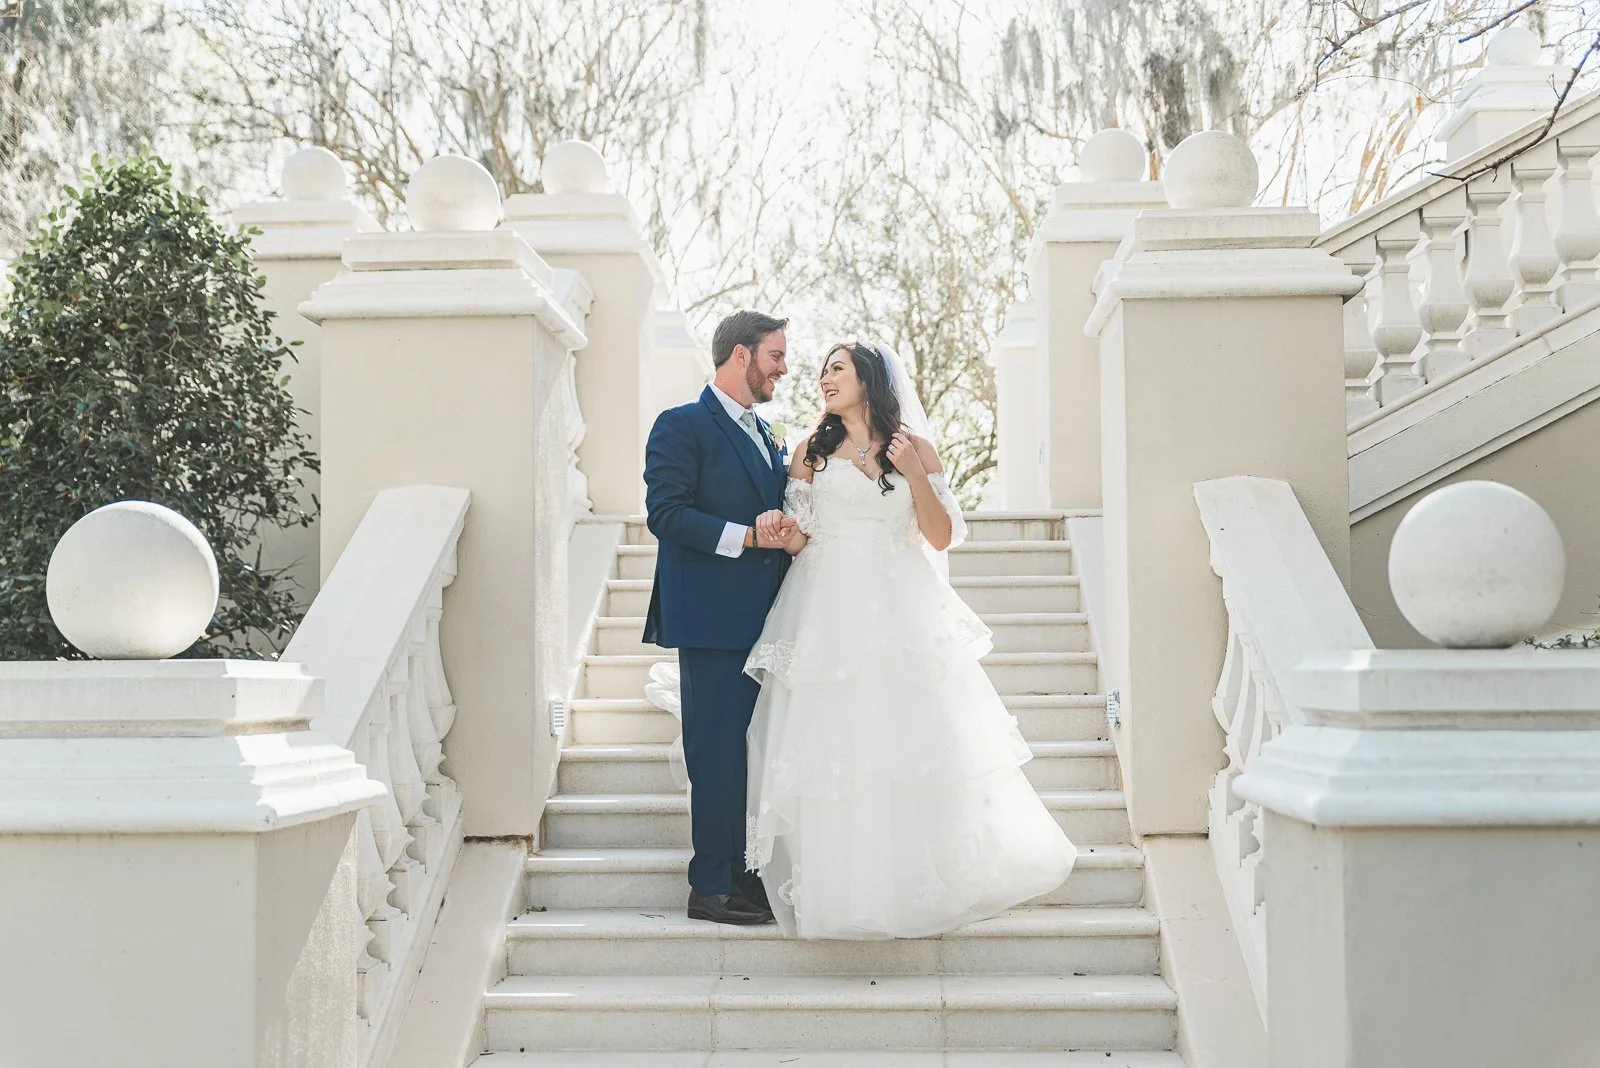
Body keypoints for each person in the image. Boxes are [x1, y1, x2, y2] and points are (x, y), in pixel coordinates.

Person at [743, 339, 1077, 939]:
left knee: (905, 738)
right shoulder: (808, 454)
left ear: (869, 378)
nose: (823, 379)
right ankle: (839, 887)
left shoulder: (914, 448)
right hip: (826, 607)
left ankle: (915, 881)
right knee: (834, 742)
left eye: (836, 369)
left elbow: (940, 535)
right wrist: (782, 531)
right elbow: (804, 539)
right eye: (821, 371)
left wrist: (914, 474)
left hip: (900, 605)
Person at [642, 309, 794, 926]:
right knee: (714, 753)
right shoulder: (681, 426)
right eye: (775, 356)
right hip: (709, 620)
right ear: (741, 355)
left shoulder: (767, 432)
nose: (784, 369)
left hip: (768, 622)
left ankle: (743, 875)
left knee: (751, 753)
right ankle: (709, 885)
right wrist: (748, 538)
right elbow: (667, 514)